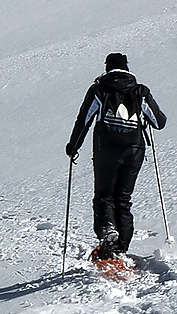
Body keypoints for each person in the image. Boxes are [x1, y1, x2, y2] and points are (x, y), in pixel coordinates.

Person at [65, 52, 166, 259]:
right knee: (123, 199)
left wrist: (73, 146)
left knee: (104, 196)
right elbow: (159, 122)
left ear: (107, 68)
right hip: (134, 151)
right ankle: (120, 248)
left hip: (106, 152)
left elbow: (84, 120)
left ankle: (108, 231)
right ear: (127, 68)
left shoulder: (99, 90)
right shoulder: (140, 91)